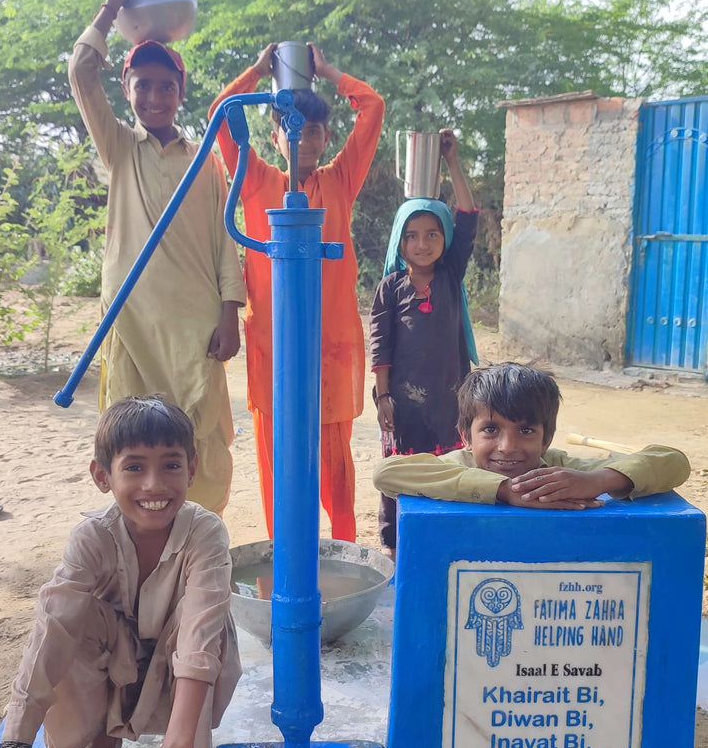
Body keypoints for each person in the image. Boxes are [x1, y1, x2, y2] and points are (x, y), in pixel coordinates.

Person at [0, 395, 241, 748]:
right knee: (68, 617)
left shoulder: (205, 532)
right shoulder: (92, 538)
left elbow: (198, 643)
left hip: (177, 663)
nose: (154, 484)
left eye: (170, 465)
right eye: (134, 468)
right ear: (101, 476)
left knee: (208, 628)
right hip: (116, 663)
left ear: (191, 469)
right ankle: (101, 743)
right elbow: (49, 637)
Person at [68, 0, 246, 514]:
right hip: (133, 325)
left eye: (164, 86)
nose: (153, 96)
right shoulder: (119, 149)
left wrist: (229, 312)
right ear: (127, 89)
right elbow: (79, 72)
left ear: (179, 91)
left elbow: (225, 241)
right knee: (133, 443)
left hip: (194, 331)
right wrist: (112, 1)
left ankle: (195, 551)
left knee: (200, 447)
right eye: (142, 85)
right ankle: (137, 554)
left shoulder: (206, 160)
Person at [208, 42, 385, 542]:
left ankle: (345, 551)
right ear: (274, 136)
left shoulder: (341, 181)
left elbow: (372, 108)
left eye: (312, 132)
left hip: (331, 354)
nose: (302, 141)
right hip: (274, 352)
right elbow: (218, 118)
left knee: (335, 471)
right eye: (292, 132)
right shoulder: (255, 180)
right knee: (278, 465)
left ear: (325, 137)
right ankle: (285, 555)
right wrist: (258, 74)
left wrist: (328, 72)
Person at [369, 129, 479, 557]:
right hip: (402, 404)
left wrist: (452, 162)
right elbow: (380, 346)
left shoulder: (450, 275)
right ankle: (396, 547)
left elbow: (468, 214)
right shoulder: (391, 287)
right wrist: (381, 398)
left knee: (449, 471)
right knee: (400, 474)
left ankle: (442, 546)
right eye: (412, 235)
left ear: (444, 240)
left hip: (450, 402)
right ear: (400, 240)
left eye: (432, 234)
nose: (422, 243)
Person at [373, 362, 690, 509]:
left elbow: (672, 461)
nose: (507, 447)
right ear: (465, 435)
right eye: (491, 429)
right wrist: (504, 490)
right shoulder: (456, 464)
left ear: (547, 438)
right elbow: (386, 473)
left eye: (525, 430)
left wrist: (599, 481)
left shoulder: (556, 470)